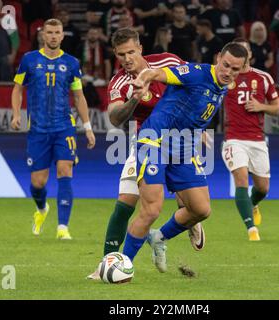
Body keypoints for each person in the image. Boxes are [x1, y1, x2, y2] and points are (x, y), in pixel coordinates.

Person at [86, 27, 204, 280]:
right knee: (124, 205)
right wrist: (134, 100)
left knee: (193, 203)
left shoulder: (167, 62)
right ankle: (106, 265)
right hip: (145, 143)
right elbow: (116, 118)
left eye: (131, 52)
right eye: (121, 55)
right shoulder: (119, 82)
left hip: (179, 139)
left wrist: (198, 124)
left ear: (140, 48)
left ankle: (190, 220)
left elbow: (193, 84)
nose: (127, 59)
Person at [121, 42, 248, 272]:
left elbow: (192, 110)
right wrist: (143, 79)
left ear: (242, 69)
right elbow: (158, 73)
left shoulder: (225, 86)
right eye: (226, 65)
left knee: (201, 209)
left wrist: (196, 134)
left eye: (235, 69)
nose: (228, 72)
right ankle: (122, 264)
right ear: (218, 57)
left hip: (183, 150)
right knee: (151, 209)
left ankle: (159, 237)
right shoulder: (197, 73)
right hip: (155, 140)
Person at [11, 18, 96, 240]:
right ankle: (41, 209)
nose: (53, 36)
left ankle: (62, 227)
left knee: (65, 170)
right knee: (37, 183)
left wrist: (87, 127)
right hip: (38, 129)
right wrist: (16, 114)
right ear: (43, 35)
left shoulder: (71, 63)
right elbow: (18, 89)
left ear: (62, 35)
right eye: (49, 32)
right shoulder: (29, 60)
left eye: (57, 32)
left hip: (64, 127)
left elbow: (78, 96)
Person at [222, 38, 279, 241]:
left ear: (250, 55)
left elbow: (276, 108)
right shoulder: (226, 77)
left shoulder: (263, 78)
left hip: (256, 139)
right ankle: (251, 230)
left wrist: (260, 106)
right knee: (241, 180)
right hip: (233, 139)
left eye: (244, 52)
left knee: (263, 188)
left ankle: (253, 203)